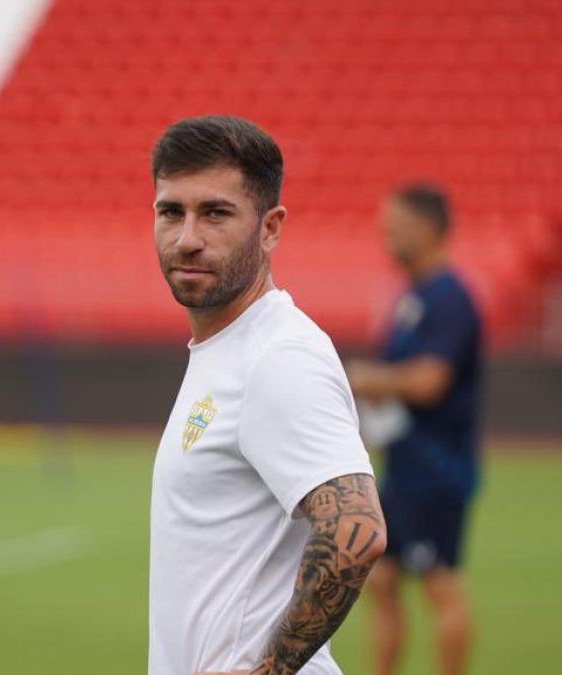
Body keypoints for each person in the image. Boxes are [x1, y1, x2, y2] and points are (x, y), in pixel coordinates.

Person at [148, 115, 387, 675]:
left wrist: (272, 670)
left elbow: (358, 530)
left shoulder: (276, 356)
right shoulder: (230, 348)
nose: (187, 237)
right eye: (170, 212)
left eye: (216, 213)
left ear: (271, 227)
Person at [346, 184, 483, 675]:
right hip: (404, 469)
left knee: (439, 586)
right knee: (380, 580)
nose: (387, 238)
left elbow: (430, 381)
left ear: (427, 229)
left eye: (396, 229)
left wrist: (367, 377)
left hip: (437, 471)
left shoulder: (450, 298)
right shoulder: (413, 297)